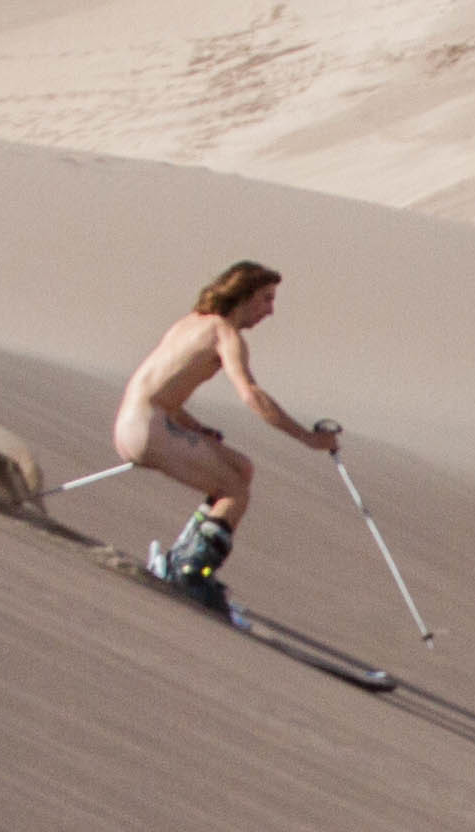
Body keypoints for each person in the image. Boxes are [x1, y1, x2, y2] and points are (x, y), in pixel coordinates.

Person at [112, 259, 334, 607]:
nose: (270, 311)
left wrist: (195, 428)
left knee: (241, 469)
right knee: (234, 491)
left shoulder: (190, 323)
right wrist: (308, 438)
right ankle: (192, 573)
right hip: (149, 427)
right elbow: (251, 394)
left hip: (137, 421)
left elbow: (158, 389)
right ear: (243, 296)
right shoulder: (223, 333)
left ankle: (182, 557)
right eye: (266, 299)